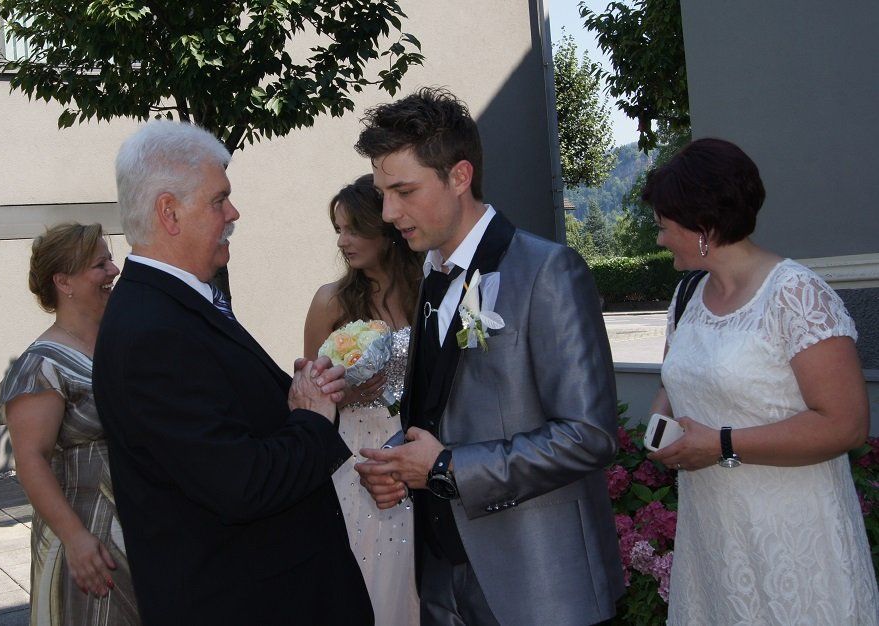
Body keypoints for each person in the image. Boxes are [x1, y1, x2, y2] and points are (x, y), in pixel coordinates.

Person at [352, 88, 624, 626]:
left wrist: (447, 468)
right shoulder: (430, 278)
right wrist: (396, 461)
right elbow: (443, 410)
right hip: (441, 577)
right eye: (383, 194)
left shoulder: (548, 271)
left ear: (460, 176)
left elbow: (589, 434)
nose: (388, 213)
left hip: (538, 584)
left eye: (404, 191)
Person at [91, 120, 374, 625]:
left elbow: (227, 424)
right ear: (169, 213)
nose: (233, 212)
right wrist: (311, 418)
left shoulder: (174, 305)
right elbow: (241, 483)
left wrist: (291, 395)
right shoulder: (152, 331)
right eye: (219, 200)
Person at [642, 137, 879, 624]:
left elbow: (847, 424)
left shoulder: (795, 294)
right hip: (714, 538)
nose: (660, 239)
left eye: (664, 226)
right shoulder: (686, 296)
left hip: (794, 536)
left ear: (704, 226)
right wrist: (661, 422)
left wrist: (722, 444)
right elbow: (674, 378)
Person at [0, 222, 140, 625]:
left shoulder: (121, 344)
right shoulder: (42, 365)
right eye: (100, 264)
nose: (114, 270)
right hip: (88, 546)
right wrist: (76, 538)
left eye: (110, 260)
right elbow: (31, 460)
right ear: (64, 282)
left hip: (142, 533)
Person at [304, 174, 423, 626]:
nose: (343, 241)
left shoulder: (425, 292)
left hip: (416, 452)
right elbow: (308, 396)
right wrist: (347, 392)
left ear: (385, 229)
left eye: (354, 229)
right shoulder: (330, 301)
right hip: (355, 459)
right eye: (338, 230)